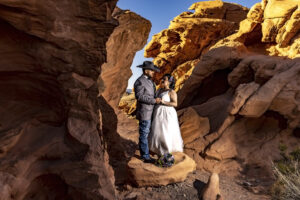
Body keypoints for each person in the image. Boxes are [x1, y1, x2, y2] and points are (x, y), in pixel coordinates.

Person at [149, 74, 183, 156]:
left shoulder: (171, 92)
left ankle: (167, 151)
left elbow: (175, 104)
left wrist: (163, 102)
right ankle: (157, 149)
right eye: (162, 79)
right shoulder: (159, 90)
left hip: (168, 113)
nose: (162, 80)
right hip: (158, 112)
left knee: (166, 131)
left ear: (170, 82)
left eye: (165, 79)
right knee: (157, 131)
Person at [134, 61, 161, 163]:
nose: (153, 72)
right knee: (144, 133)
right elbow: (139, 96)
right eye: (152, 70)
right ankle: (145, 156)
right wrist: (154, 101)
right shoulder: (139, 81)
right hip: (145, 112)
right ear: (146, 71)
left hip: (152, 111)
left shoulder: (150, 81)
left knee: (148, 133)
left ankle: (146, 150)